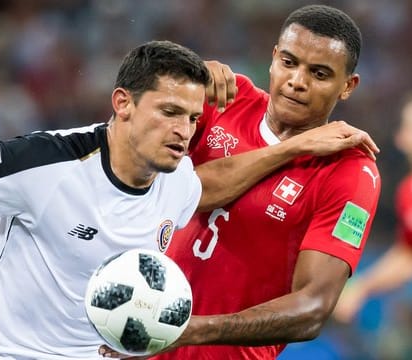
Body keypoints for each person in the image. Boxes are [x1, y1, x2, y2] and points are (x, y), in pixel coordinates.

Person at [0, 40, 376, 360]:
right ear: (123, 103)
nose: (185, 131)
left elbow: (213, 184)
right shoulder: (50, 160)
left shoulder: (174, 178)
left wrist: (292, 147)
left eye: (191, 117)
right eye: (168, 112)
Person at [103, 4, 380, 360]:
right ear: (273, 57)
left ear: (348, 86)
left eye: (320, 73)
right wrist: (182, 84)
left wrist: (186, 330)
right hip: (129, 334)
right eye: (290, 62)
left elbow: (312, 309)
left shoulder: (351, 173)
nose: (298, 81)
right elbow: (138, 171)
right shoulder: (225, 101)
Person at [333, 94, 412, 324]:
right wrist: (362, 287)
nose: (402, 137)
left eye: (408, 128)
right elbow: (407, 256)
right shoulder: (407, 192)